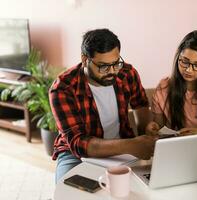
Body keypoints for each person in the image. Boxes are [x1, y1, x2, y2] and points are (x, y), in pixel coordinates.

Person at [49, 29, 157, 183]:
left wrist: (145, 133)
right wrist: (131, 145)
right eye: (103, 66)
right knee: (68, 190)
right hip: (76, 155)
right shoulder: (63, 88)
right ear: (85, 59)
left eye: (116, 63)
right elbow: (79, 143)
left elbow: (140, 105)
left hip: (124, 146)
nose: (112, 71)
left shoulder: (127, 73)